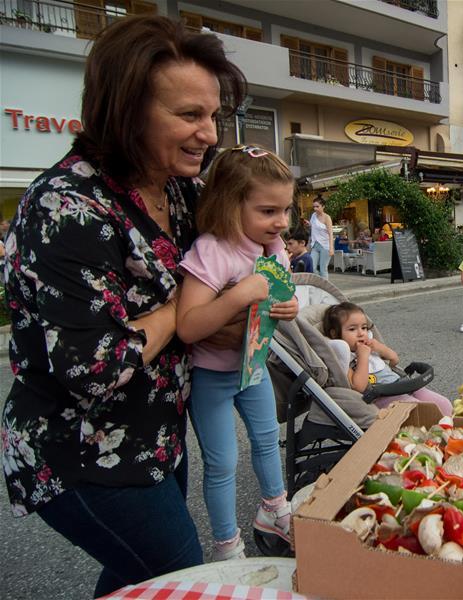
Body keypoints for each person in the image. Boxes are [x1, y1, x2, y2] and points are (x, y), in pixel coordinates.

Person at [0, 16, 246, 595]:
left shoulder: (180, 189)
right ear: (127, 112)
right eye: (189, 115)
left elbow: (223, 273)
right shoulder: (67, 206)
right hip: (78, 453)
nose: (209, 134)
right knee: (181, 579)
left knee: (131, 579)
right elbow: (93, 369)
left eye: (213, 115)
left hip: (154, 437)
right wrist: (185, 311)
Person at [176, 146, 298, 561]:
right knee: (222, 462)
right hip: (212, 374)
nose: (280, 222)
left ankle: (275, 510)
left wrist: (289, 306)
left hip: (254, 366)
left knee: (267, 440)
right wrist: (238, 296)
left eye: (286, 210)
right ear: (231, 205)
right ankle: (227, 546)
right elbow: (188, 325)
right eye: (267, 211)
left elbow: (279, 297)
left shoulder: (274, 248)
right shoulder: (214, 251)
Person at [323, 302, 453, 415]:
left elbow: (394, 361)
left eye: (364, 327)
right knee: (417, 408)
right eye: (352, 329)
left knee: (443, 404)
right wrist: (363, 357)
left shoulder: (371, 345)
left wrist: (380, 349)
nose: (361, 333)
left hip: (402, 385)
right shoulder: (343, 357)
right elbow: (359, 387)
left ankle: (449, 434)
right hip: (381, 396)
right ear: (335, 334)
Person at [308, 195, 333, 278]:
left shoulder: (327, 217)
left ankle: (325, 289)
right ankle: (320, 282)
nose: (315, 208)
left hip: (325, 246)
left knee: (323, 269)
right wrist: (308, 224)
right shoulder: (313, 215)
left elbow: (330, 233)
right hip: (315, 245)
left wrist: (331, 248)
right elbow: (313, 226)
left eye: (317, 206)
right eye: (314, 206)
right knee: (312, 267)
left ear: (323, 206)